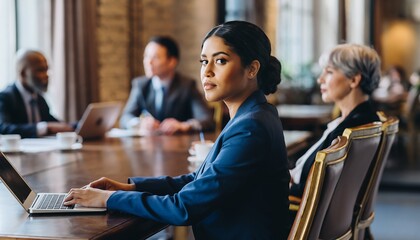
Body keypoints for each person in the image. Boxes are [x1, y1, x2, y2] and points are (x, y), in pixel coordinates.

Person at [65, 21, 290, 239]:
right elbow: (198, 179)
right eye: (204, 61)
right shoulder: (256, 115)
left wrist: (109, 199)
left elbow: (183, 208)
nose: (207, 72)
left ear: (252, 69)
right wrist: (130, 187)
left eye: (220, 61)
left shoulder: (250, 127)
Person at [289, 43, 381, 216]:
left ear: (354, 80)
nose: (320, 79)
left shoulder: (348, 131)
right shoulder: (360, 120)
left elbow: (310, 190)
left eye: (329, 72)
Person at [119, 36, 214, 135]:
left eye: (155, 57)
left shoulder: (187, 85)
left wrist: (183, 125)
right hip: (149, 146)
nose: (148, 62)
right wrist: (140, 123)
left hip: (179, 145)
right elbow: (125, 118)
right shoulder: (140, 85)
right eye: (146, 56)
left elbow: (206, 120)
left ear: (172, 62)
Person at [0, 49, 74, 138]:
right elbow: (3, 128)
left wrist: (76, 126)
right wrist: (45, 127)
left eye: (46, 70)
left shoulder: (39, 99)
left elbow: (54, 123)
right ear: (23, 73)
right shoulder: (5, 98)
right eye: (40, 70)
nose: (46, 75)